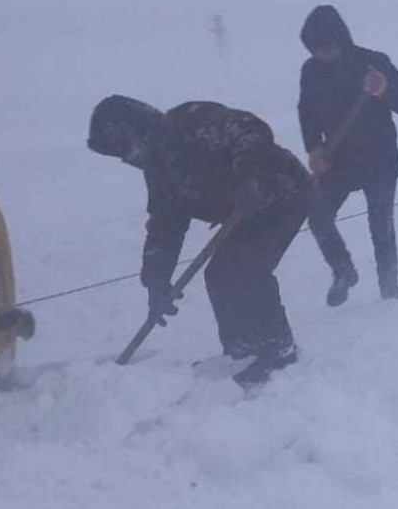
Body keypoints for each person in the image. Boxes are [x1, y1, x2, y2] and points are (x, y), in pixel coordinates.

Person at [87, 96, 311, 386]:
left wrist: (250, 177)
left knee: (246, 267)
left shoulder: (190, 123)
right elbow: (165, 227)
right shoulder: (159, 172)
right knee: (219, 274)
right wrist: (157, 281)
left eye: (126, 149)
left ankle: (278, 349)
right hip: (244, 212)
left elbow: (250, 130)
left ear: (137, 131)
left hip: (282, 193)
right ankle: (241, 351)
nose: (128, 158)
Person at [298, 5, 398, 306]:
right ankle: (343, 270)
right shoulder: (311, 71)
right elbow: (306, 113)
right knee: (318, 215)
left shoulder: (373, 63)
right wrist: (314, 148)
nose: (322, 54)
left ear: (340, 38)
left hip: (380, 160)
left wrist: (384, 89)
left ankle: (389, 290)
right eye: (315, 49)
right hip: (338, 160)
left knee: (381, 227)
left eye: (326, 47)